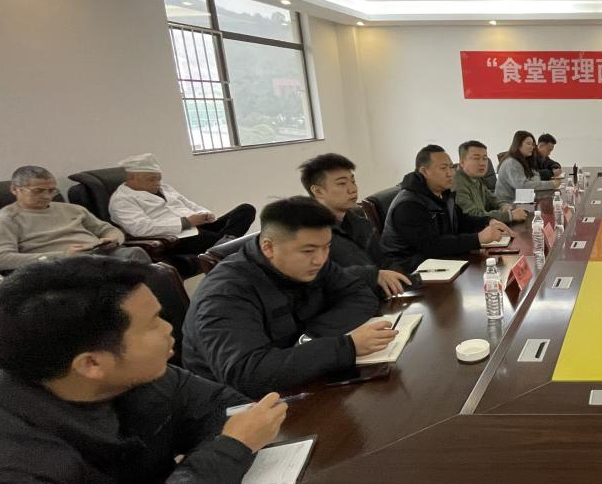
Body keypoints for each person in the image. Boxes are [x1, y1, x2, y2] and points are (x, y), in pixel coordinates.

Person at [0, 257, 288, 484]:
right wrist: (227, 453)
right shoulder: (9, 452)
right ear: (91, 364)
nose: (170, 329)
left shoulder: (141, 376)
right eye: (153, 323)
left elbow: (225, 409)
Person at [182, 197, 390, 397]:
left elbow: (360, 295)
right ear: (268, 247)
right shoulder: (225, 293)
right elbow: (248, 375)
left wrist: (311, 338)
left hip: (303, 379)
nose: (320, 259)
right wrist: (345, 347)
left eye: (327, 247)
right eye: (308, 250)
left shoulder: (311, 263)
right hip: (241, 405)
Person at [108, 153, 256, 273]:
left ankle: (221, 246)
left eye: (159, 179)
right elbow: (140, 228)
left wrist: (204, 213)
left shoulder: (165, 188)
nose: (157, 183)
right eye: (151, 179)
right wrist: (186, 223)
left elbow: (189, 204)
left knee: (246, 210)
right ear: (132, 178)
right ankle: (224, 247)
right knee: (217, 238)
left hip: (196, 225)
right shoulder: (122, 200)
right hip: (176, 236)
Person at [299, 153, 411, 298]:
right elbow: (320, 277)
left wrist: (402, 279)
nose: (352, 189)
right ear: (318, 191)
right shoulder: (307, 231)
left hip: (380, 297)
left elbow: (384, 260)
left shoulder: (359, 220)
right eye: (342, 184)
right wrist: (372, 275)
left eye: (353, 181)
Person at [0, 165, 150, 271]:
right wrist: (62, 256)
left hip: (98, 254)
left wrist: (111, 239)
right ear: (15, 189)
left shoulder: (73, 210)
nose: (47, 196)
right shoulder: (6, 219)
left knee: (134, 255)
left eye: (51, 190)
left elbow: (108, 229)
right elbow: (2, 259)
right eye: (38, 191)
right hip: (57, 266)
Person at [386, 145, 512, 270]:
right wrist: (478, 238)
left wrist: (488, 222)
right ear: (424, 171)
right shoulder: (408, 205)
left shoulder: (443, 193)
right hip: (410, 269)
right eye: (443, 168)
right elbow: (432, 246)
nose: (451, 173)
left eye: (451, 167)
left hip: (441, 262)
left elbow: (461, 221)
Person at [455, 141, 529, 225]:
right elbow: (473, 215)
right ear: (462, 162)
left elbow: (492, 199)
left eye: (485, 158)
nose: (482, 163)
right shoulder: (457, 184)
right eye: (476, 158)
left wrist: (504, 206)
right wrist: (509, 216)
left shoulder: (475, 178)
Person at [494, 131, 559, 202]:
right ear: (518, 144)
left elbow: (535, 175)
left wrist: (533, 182)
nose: (532, 147)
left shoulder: (525, 159)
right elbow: (523, 186)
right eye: (528, 144)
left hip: (521, 199)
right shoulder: (512, 163)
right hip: (506, 203)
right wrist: (551, 184)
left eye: (533, 144)